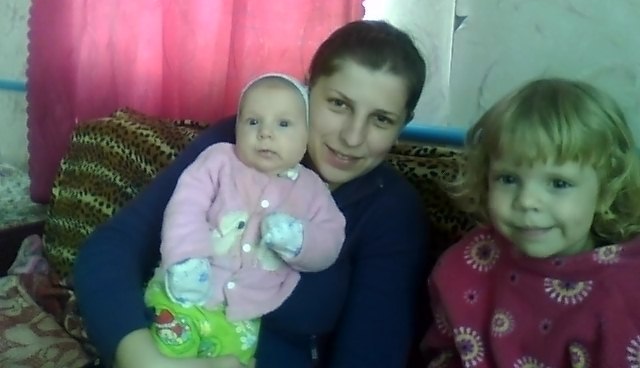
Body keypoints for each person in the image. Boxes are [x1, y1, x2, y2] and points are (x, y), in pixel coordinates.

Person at [74, 19, 430, 368]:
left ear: (403, 124)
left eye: (381, 119)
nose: (352, 137)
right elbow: (114, 245)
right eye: (339, 104)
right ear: (307, 90)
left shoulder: (391, 211)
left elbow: (372, 351)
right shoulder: (238, 145)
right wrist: (144, 360)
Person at [422, 78, 640, 367]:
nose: (526, 201)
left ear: (605, 192)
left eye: (559, 183)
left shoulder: (627, 290)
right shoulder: (464, 266)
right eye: (508, 179)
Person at [145, 73, 345, 363]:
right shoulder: (219, 161)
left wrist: (300, 240)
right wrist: (186, 258)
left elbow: (331, 239)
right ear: (237, 126)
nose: (265, 133)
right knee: (168, 354)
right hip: (183, 293)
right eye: (253, 121)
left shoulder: (312, 190)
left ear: (307, 134)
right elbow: (185, 207)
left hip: (244, 316)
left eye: (283, 124)